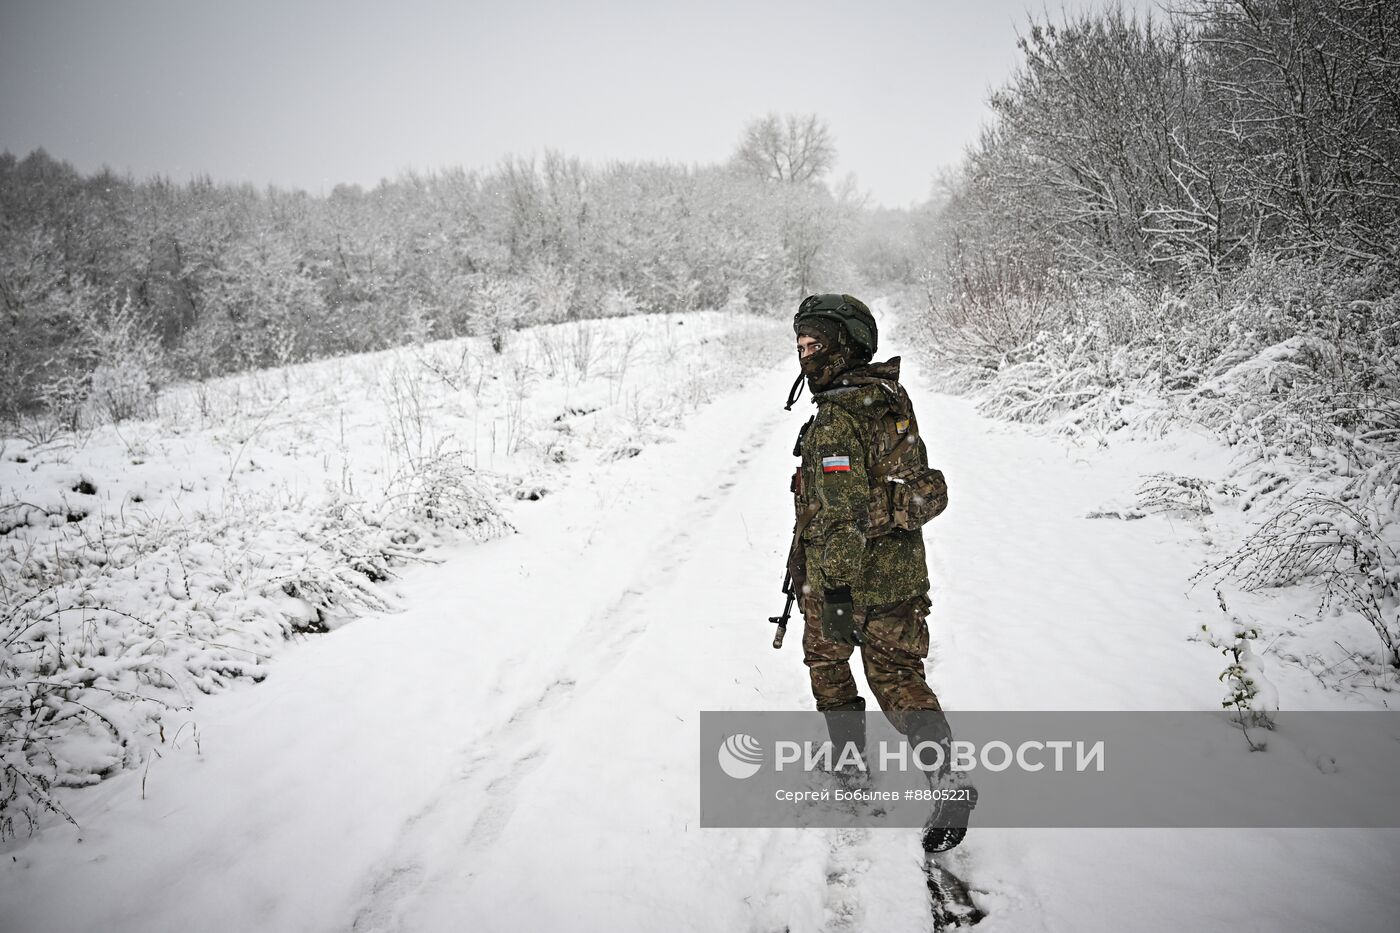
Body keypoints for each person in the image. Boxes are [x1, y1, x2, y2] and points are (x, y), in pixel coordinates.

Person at [783, 293, 969, 852]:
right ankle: (948, 780)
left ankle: (848, 767)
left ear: (845, 345)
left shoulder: (837, 419)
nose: (806, 356)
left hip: (846, 578)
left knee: (827, 661)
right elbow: (920, 482)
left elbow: (839, 517)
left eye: (815, 344)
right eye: (800, 346)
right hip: (902, 578)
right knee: (900, 680)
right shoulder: (888, 397)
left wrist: (834, 588)